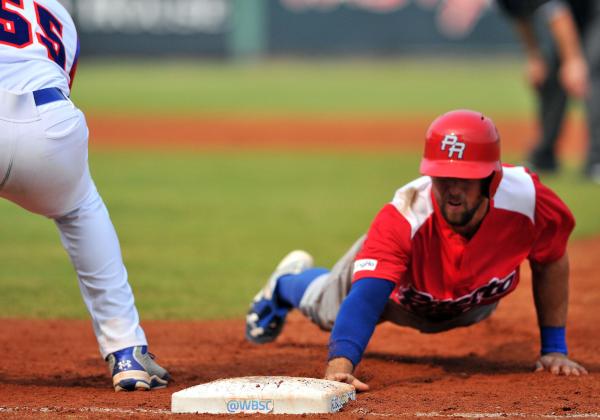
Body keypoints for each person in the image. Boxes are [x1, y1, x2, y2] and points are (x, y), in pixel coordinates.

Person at [245, 109, 588, 391]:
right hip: (395, 299)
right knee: (327, 308)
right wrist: (339, 368)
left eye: (465, 179)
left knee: (471, 306)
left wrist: (554, 349)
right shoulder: (404, 216)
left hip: (468, 304)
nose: (452, 191)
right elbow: (365, 299)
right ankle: (285, 283)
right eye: (442, 177)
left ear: (491, 179)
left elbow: (551, 259)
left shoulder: (528, 200)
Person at [0, 0, 169, 391]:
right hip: (49, 125)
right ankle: (127, 351)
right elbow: (60, 78)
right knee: (80, 209)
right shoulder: (58, 14)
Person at [496, 0, 600, 183]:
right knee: (551, 77)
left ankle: (597, 160)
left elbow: (559, 14)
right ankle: (545, 156)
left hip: (593, 12)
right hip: (573, 17)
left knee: (593, 74)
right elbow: (521, 18)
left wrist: (574, 61)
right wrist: (534, 56)